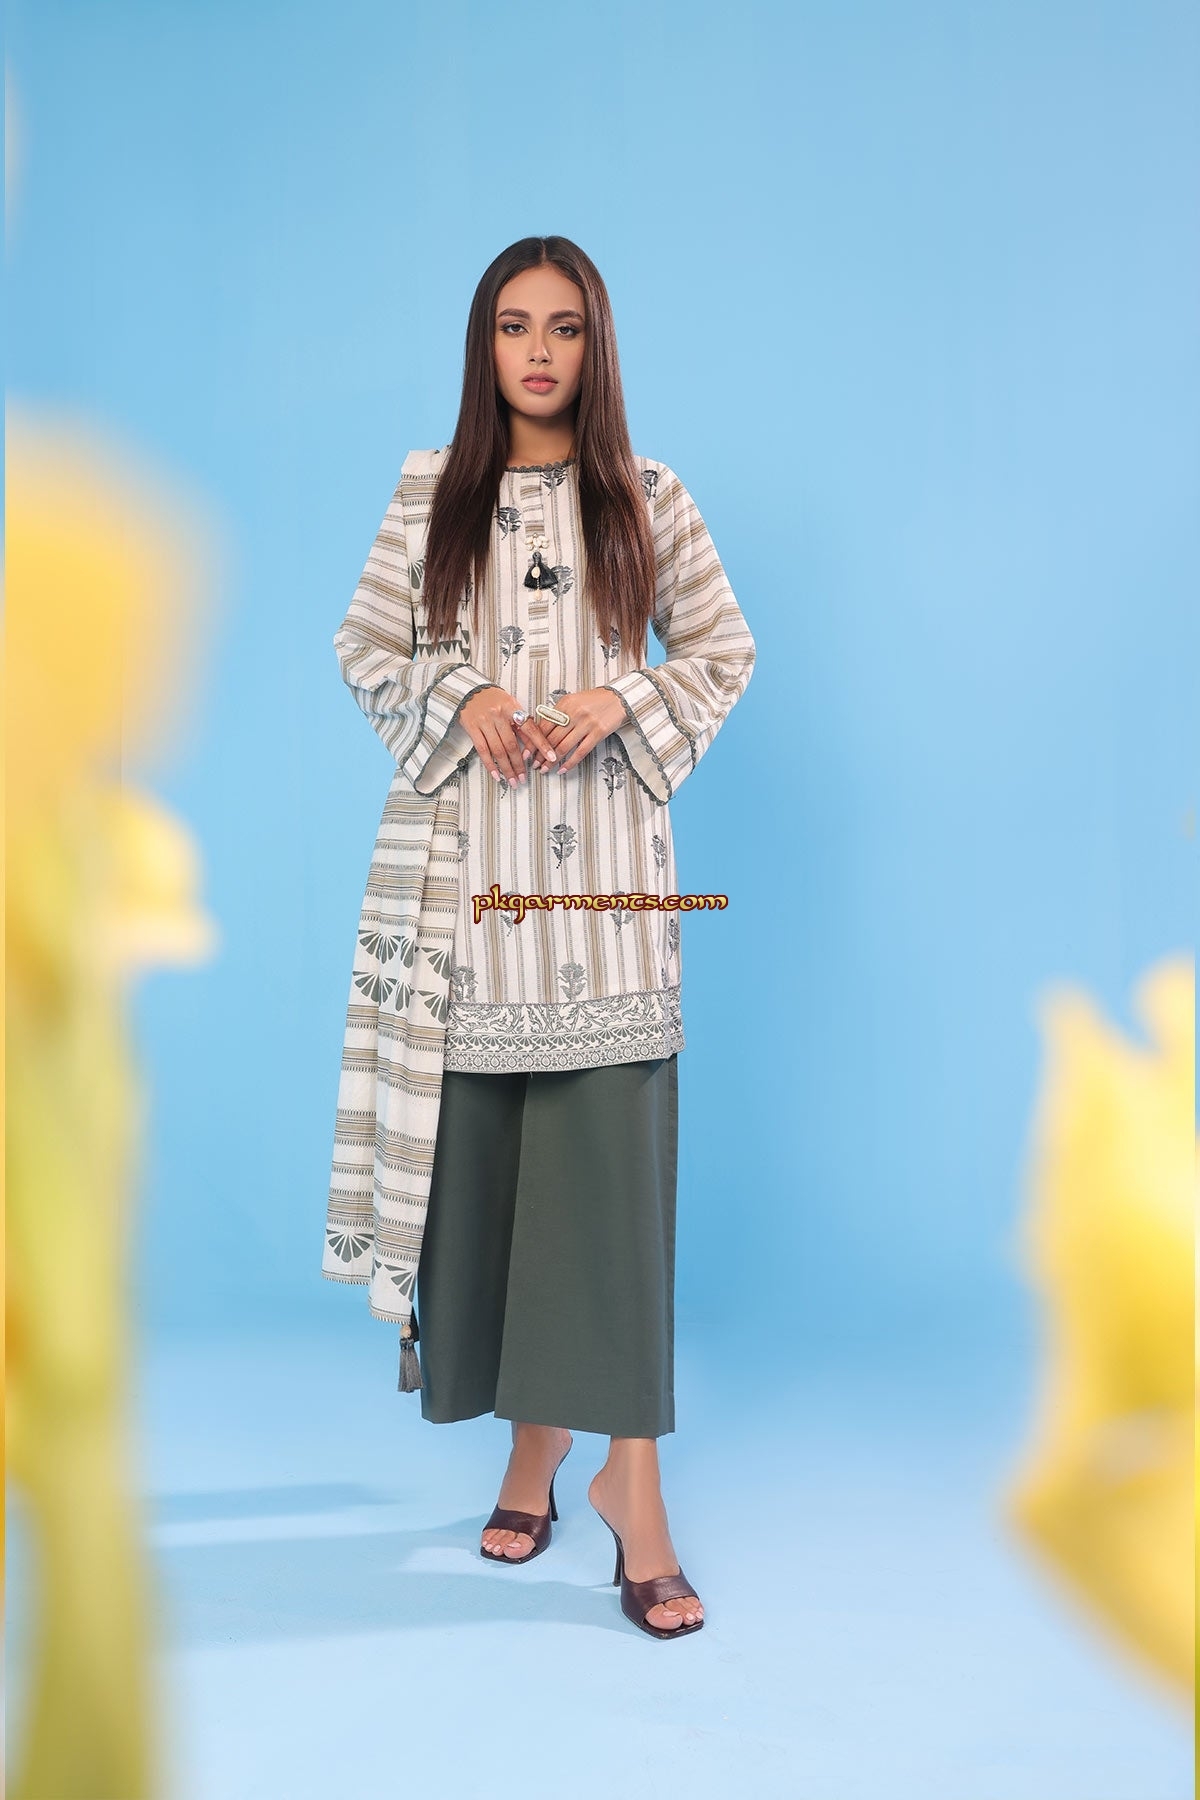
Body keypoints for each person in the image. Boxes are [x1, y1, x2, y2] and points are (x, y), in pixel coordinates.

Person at [323, 235, 755, 1638]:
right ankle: (531, 1452)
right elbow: (367, 647)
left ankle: (636, 1487)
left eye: (565, 328)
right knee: (500, 1196)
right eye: (515, 326)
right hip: (467, 909)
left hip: (608, 906)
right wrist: (466, 697)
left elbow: (723, 651)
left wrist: (625, 701)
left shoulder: (647, 496)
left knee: (608, 1212)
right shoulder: (430, 493)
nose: (540, 352)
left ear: (596, 345)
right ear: (485, 344)